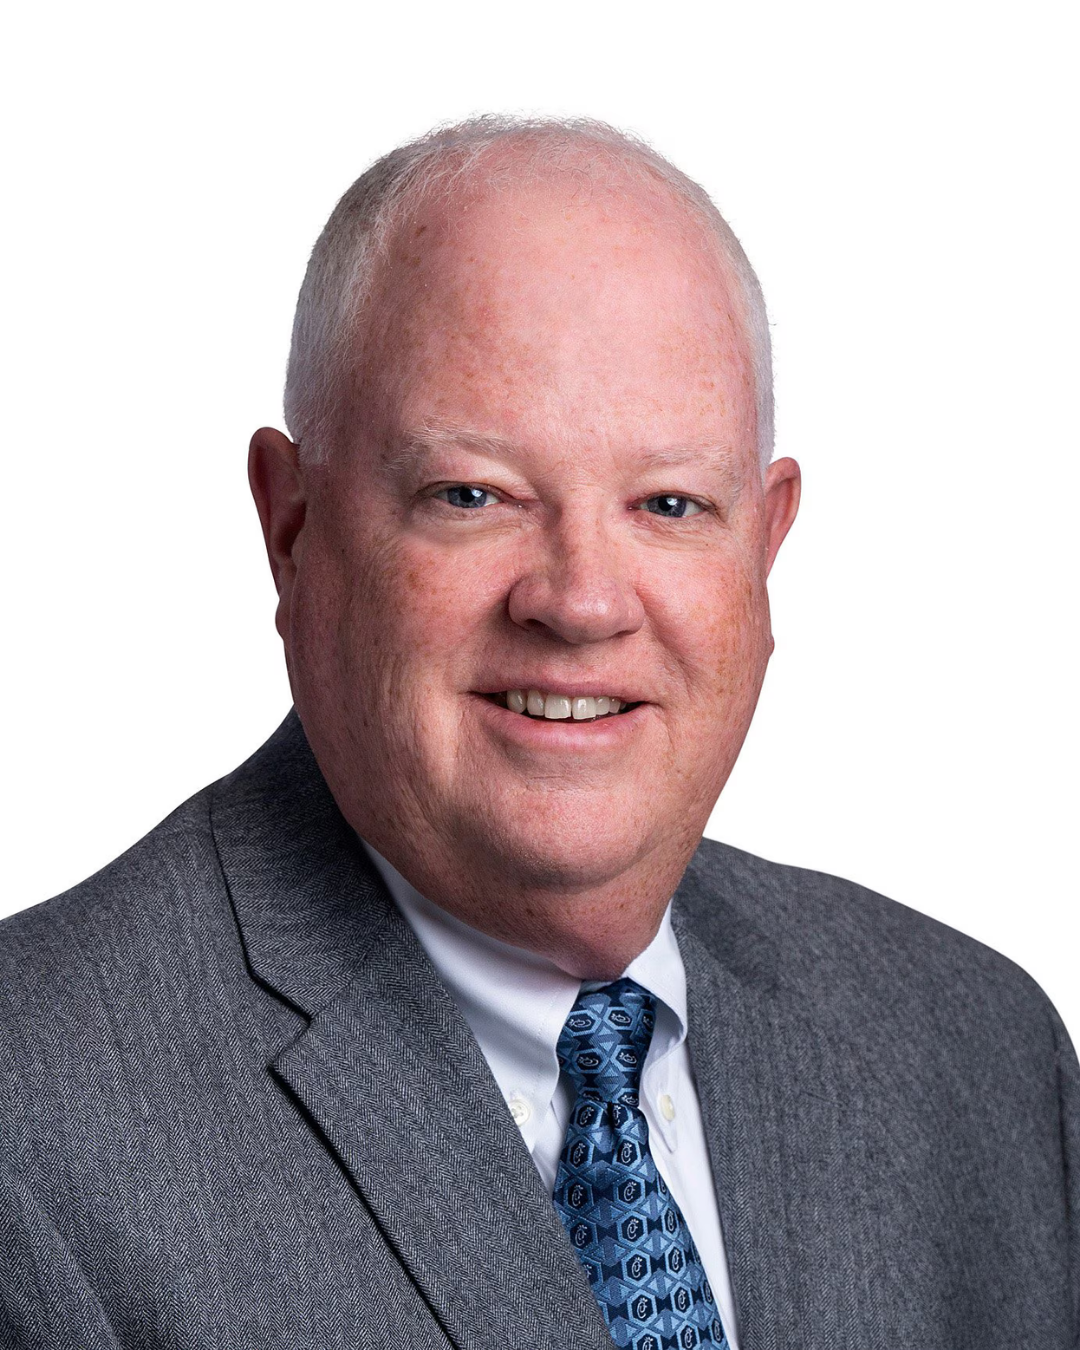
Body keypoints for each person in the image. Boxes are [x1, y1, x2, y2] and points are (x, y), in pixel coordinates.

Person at [0, 116, 1075, 1350]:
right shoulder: (35, 1123)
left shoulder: (979, 1053)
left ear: (766, 546)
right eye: (474, 495)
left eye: (670, 504)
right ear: (292, 528)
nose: (581, 601)